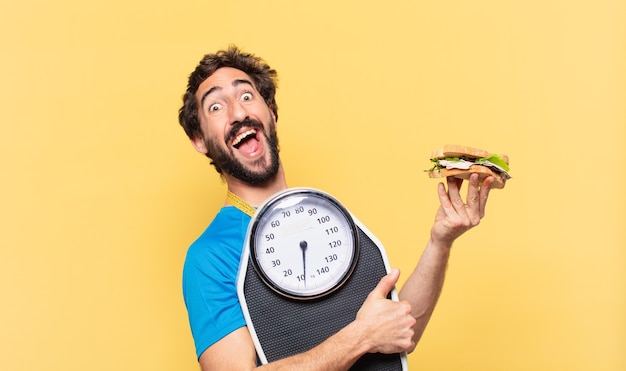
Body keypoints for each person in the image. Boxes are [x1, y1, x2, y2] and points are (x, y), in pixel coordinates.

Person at [178, 45, 495, 370]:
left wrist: (440, 241)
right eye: (216, 106)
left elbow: (398, 331)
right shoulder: (210, 256)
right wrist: (361, 336)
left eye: (246, 96)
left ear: (270, 112)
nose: (237, 112)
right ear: (200, 139)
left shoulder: (328, 220)